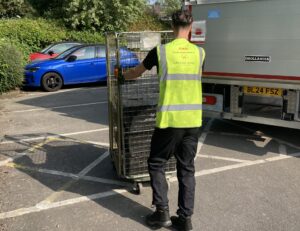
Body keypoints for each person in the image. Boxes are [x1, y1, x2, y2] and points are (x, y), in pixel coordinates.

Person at [123, 9, 205, 231]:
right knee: (186, 168)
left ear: (172, 26)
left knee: (157, 163)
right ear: (191, 27)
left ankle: (162, 214)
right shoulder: (200, 53)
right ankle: (185, 220)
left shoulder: (161, 52)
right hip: (193, 120)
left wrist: (121, 74)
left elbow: (136, 73)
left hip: (170, 120)